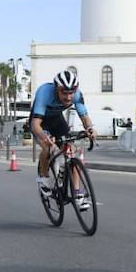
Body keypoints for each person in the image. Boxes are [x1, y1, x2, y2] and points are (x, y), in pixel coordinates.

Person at [30, 69, 96, 205]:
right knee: (47, 148)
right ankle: (44, 178)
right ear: (56, 89)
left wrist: (89, 128)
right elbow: (36, 124)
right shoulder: (44, 93)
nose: (68, 97)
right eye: (64, 93)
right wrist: (45, 137)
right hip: (41, 122)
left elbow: (84, 117)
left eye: (71, 93)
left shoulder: (77, 95)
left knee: (71, 150)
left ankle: (77, 193)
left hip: (57, 120)